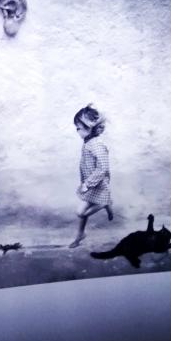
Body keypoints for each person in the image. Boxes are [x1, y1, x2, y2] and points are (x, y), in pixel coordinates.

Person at [68, 104, 113, 248]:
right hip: (91, 185)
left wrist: (87, 184)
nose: (77, 131)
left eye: (79, 128)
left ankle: (105, 203)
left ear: (89, 128)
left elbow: (102, 168)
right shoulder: (89, 141)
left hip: (97, 186)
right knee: (83, 211)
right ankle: (80, 234)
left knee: (80, 212)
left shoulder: (96, 145)